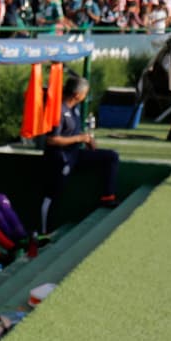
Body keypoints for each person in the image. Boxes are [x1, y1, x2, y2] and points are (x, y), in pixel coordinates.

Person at [40, 75, 120, 232]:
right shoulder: (58, 110)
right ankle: (44, 231)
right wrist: (79, 138)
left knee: (111, 156)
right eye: (85, 93)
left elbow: (74, 133)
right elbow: (51, 140)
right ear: (77, 94)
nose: (86, 96)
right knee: (53, 196)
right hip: (59, 158)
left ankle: (108, 197)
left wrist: (87, 139)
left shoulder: (75, 109)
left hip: (75, 154)